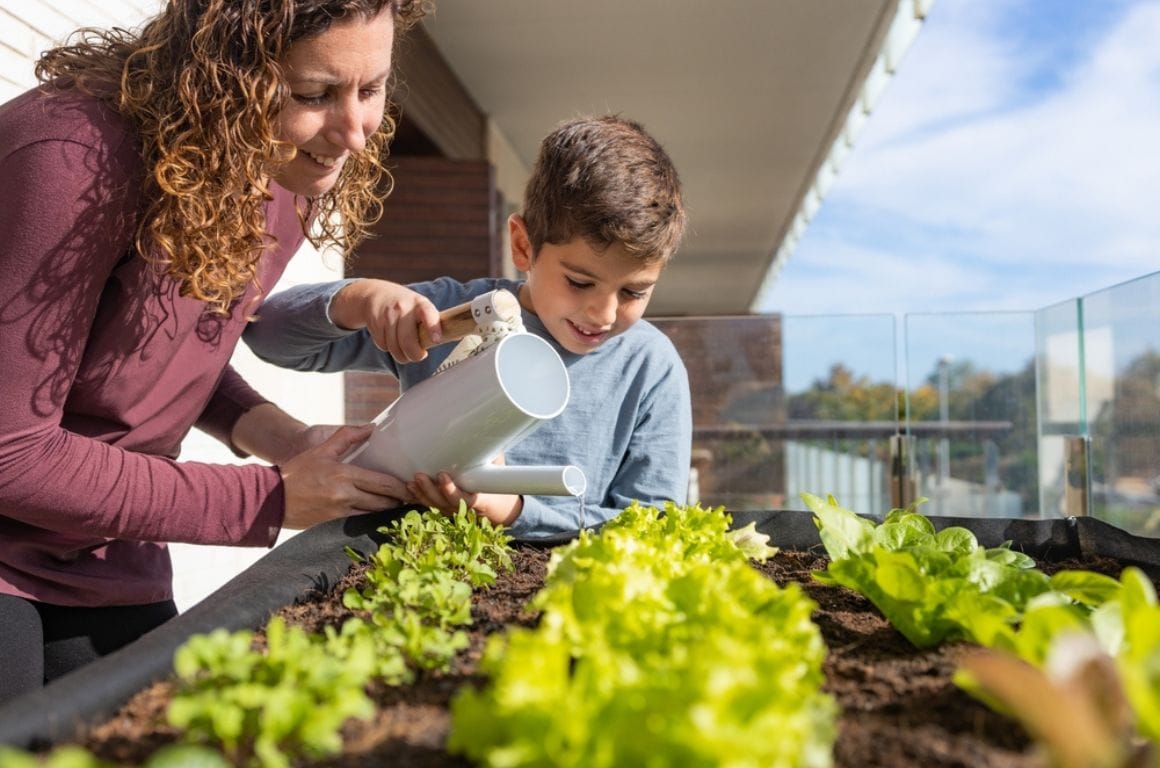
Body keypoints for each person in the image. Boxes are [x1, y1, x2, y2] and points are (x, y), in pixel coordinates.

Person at [0, 0, 437, 704]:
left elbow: (158, 349)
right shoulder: (69, 161)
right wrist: (270, 499)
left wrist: (290, 440)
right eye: (313, 94)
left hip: (103, 551)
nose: (354, 132)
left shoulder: (280, 172)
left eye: (372, 88)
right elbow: (10, 451)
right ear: (225, 76)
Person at [243, 114, 693, 538]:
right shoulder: (457, 314)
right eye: (579, 282)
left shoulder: (650, 367)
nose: (605, 314)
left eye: (634, 293)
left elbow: (654, 526)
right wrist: (359, 300)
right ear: (522, 245)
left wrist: (515, 512)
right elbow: (266, 336)